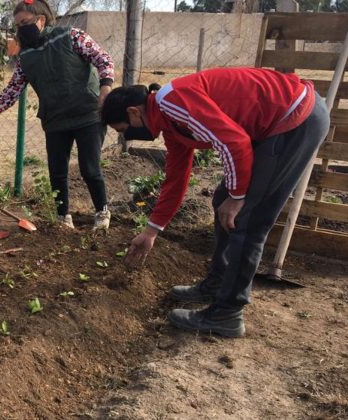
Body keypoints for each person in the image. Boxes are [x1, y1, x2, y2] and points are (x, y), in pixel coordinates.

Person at [101, 67, 330, 337]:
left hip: (294, 118)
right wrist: (152, 231)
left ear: (133, 112)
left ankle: (227, 313)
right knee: (222, 200)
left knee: (246, 218)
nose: (128, 136)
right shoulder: (171, 122)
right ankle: (218, 282)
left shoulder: (174, 103)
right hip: (279, 121)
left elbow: (233, 142)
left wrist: (237, 196)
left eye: (124, 129)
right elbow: (176, 180)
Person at [0, 0, 115, 230]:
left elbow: (103, 59)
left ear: (41, 20)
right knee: (57, 172)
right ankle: (63, 218)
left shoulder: (72, 36)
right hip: (55, 119)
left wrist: (105, 88)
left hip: (88, 113)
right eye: (18, 25)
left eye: (25, 22)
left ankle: (102, 212)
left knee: (89, 168)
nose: (21, 28)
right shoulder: (26, 56)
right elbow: (12, 91)